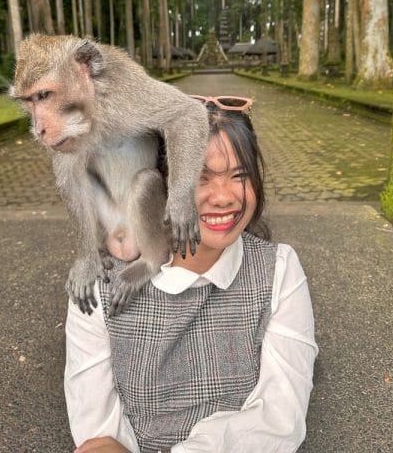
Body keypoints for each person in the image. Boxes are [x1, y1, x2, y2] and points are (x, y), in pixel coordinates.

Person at [64, 95, 318, 453]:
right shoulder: (100, 288)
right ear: (157, 187)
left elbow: (280, 418)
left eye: (239, 176)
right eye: (200, 178)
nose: (224, 196)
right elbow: (98, 431)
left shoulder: (277, 271)